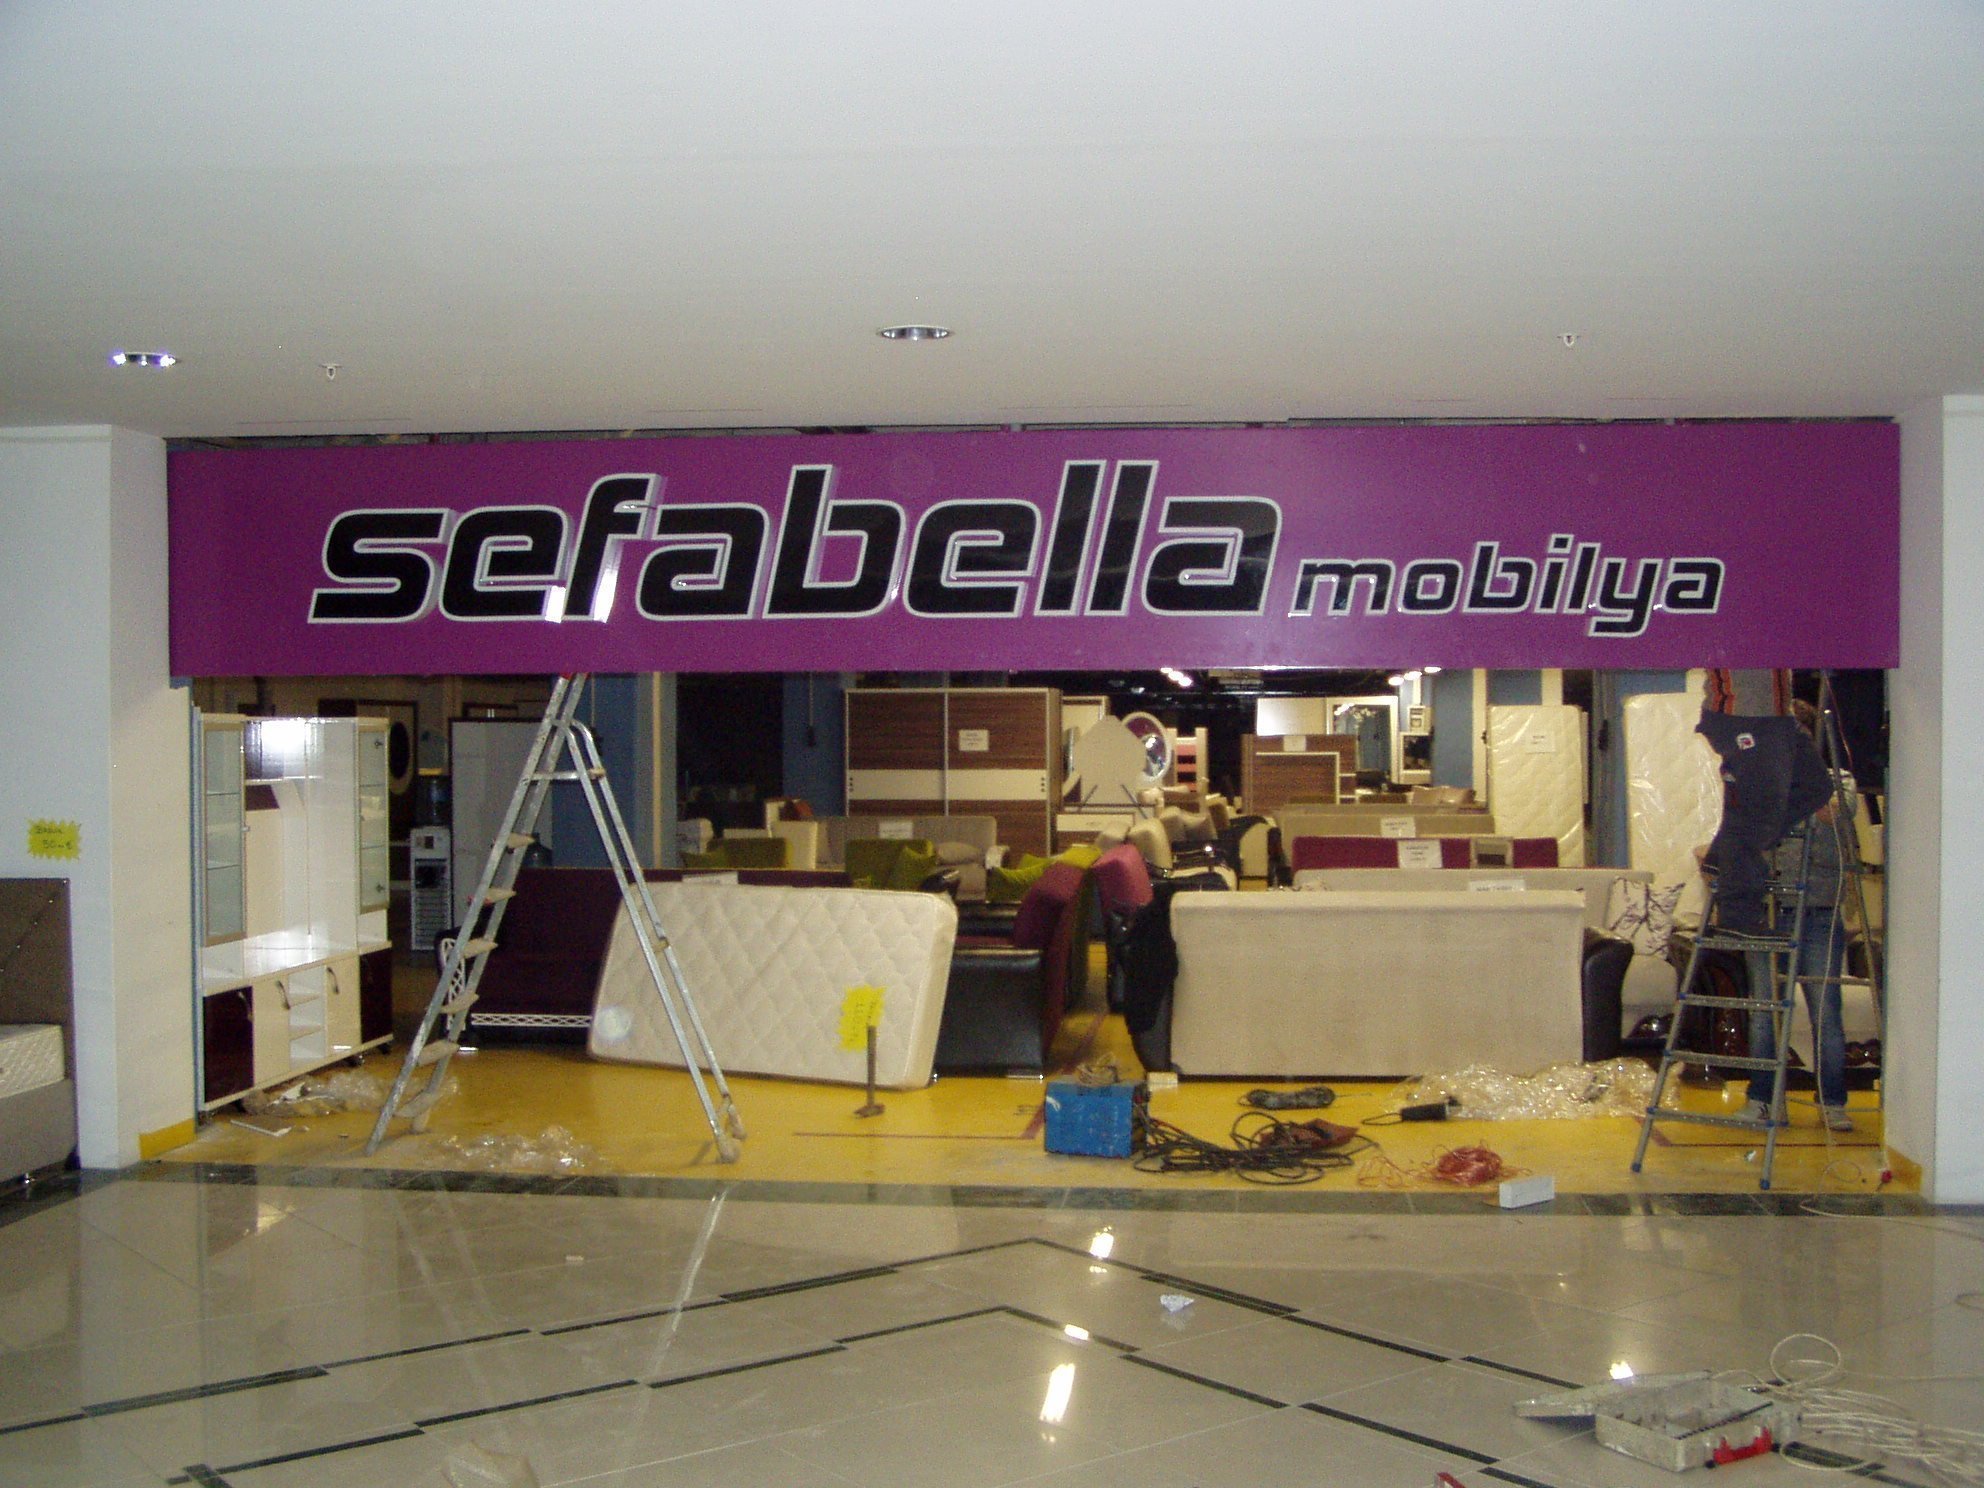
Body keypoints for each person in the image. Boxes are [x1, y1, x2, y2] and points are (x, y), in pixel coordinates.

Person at [1741, 700, 1855, 1132]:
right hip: (1769, 909)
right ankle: (1764, 1099)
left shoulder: (1840, 781)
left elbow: (1832, 811)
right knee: (1764, 1011)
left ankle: (1832, 1101)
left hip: (1820, 912)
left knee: (1826, 1011)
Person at [1696, 670, 1833, 940]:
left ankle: (1724, 853)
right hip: (1743, 713)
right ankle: (1736, 916)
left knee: (1815, 785)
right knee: (1754, 815)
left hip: (1776, 715)